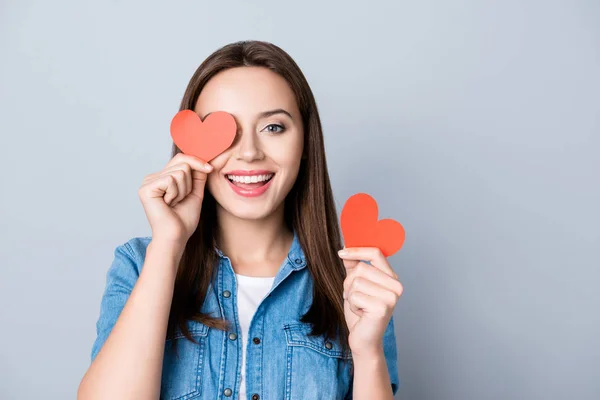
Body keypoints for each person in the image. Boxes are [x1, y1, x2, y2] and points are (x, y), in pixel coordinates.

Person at [77, 40, 403, 400]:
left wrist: (368, 351)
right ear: (190, 146)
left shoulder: (354, 283)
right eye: (224, 129)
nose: (249, 153)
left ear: (305, 143)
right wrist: (169, 243)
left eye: (274, 127)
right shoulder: (139, 265)